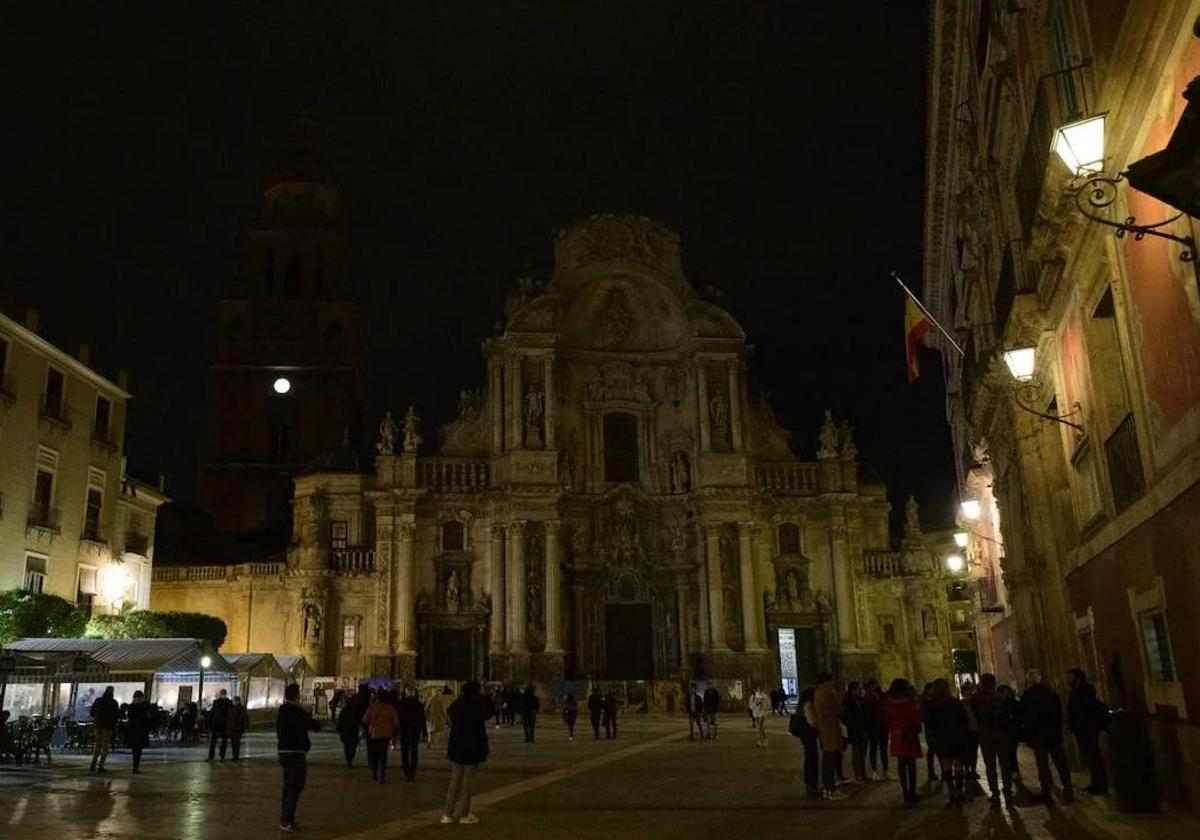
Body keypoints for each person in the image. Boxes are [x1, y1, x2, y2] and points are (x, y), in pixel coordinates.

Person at [440, 681, 493, 826]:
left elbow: (449, 713)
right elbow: (489, 713)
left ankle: (447, 814)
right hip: (473, 748)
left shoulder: (458, 704)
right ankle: (464, 814)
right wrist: (486, 697)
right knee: (467, 783)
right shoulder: (477, 706)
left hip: (457, 747)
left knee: (455, 781)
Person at [1021, 669, 1073, 804]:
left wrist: (1028, 736)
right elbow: (1058, 714)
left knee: (1043, 765)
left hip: (1038, 736)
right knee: (1061, 763)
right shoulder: (1051, 695)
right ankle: (1068, 790)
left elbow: (1025, 717)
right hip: (1053, 734)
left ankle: (1046, 792)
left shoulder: (1027, 696)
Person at [276, 682, 321, 832]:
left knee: (288, 786)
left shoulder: (282, 710)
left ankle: (285, 817)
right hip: (296, 752)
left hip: (283, 752)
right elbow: (315, 726)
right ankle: (287, 819)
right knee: (296, 786)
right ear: (297, 696)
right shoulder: (297, 711)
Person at [971, 673, 1017, 805]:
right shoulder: (1001, 698)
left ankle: (995, 793)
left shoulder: (976, 698)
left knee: (990, 766)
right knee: (1005, 765)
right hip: (1001, 734)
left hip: (985, 735)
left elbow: (976, 714)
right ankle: (1007, 791)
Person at [923, 678, 970, 802]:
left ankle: (951, 792)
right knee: (959, 766)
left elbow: (929, 724)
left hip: (942, 740)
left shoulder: (932, 705)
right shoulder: (954, 702)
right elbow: (964, 720)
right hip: (957, 738)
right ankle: (960, 791)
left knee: (946, 767)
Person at [1066, 668, 1108, 795]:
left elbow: (1082, 712)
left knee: (1093, 758)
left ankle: (1100, 786)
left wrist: (1078, 725)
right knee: (1091, 758)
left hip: (1086, 730)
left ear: (1077, 678)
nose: (1068, 679)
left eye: (1070, 677)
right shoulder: (1079, 692)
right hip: (1085, 729)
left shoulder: (1081, 694)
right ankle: (1096, 784)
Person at [884, 678, 923, 804]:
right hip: (909, 734)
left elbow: (887, 720)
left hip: (897, 735)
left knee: (901, 764)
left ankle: (905, 791)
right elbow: (915, 718)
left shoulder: (889, 704)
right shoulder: (910, 702)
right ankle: (912, 791)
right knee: (911, 764)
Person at [813, 672, 846, 800]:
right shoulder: (828, 693)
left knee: (827, 760)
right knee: (830, 760)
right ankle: (831, 789)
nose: (833, 682)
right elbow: (838, 709)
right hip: (831, 729)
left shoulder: (818, 692)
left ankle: (828, 789)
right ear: (826, 681)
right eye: (831, 680)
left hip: (825, 729)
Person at [362, 691, 400, 783]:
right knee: (383, 756)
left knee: (375, 756)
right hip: (386, 735)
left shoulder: (372, 707)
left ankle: (375, 775)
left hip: (374, 735)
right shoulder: (390, 708)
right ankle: (382, 776)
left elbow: (365, 720)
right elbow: (395, 723)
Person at [398, 683, 427, 781]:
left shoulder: (402, 703)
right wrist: (425, 733)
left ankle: (406, 771)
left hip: (404, 729)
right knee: (414, 750)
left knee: (404, 751)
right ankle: (413, 771)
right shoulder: (419, 704)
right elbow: (422, 719)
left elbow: (399, 718)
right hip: (415, 729)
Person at [795, 687, 821, 796]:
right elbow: (812, 722)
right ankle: (811, 784)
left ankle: (810, 784)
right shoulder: (808, 705)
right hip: (809, 736)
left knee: (810, 759)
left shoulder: (802, 706)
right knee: (812, 759)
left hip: (806, 736)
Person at [842, 681, 869, 781]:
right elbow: (845, 717)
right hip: (854, 730)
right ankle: (858, 774)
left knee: (862, 753)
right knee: (857, 753)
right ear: (852, 690)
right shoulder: (848, 701)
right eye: (858, 689)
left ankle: (862, 774)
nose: (860, 690)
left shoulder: (860, 700)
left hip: (862, 729)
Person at [89, 686, 120, 773]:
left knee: (97, 745)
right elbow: (117, 715)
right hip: (108, 726)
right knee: (105, 746)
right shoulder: (114, 702)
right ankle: (101, 766)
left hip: (98, 725)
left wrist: (96, 718)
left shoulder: (98, 700)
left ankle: (93, 763)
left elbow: (92, 712)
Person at [863, 679, 889, 780]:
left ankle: (885, 771)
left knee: (883, 749)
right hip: (873, 727)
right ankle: (875, 772)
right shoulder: (867, 698)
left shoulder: (880, 696)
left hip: (882, 726)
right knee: (874, 749)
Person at [337, 683, 368, 767]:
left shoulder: (344, 711)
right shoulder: (356, 709)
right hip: (353, 728)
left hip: (346, 730)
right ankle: (351, 757)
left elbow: (340, 720)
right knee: (353, 744)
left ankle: (348, 759)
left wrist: (339, 728)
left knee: (346, 745)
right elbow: (359, 718)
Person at [126, 690, 153, 773]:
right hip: (141, 730)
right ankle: (136, 766)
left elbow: (129, 718)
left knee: (135, 749)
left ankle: (135, 766)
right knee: (138, 749)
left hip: (132, 730)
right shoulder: (144, 707)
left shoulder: (130, 706)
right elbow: (147, 718)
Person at [961, 679, 981, 780]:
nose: (968, 693)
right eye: (966, 691)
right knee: (966, 751)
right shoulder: (960, 704)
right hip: (965, 731)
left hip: (975, 730)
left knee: (973, 751)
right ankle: (967, 770)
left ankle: (973, 770)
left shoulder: (975, 703)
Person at [207, 689, 233, 761]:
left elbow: (212, 713)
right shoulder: (218, 702)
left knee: (221, 742)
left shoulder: (227, 702)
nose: (223, 695)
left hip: (222, 724)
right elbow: (212, 713)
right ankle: (214, 756)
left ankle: (220, 756)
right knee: (215, 741)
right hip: (218, 724)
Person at [919, 682, 938, 782]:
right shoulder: (927, 701)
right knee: (933, 750)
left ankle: (932, 772)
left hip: (930, 728)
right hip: (931, 729)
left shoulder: (925, 700)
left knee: (932, 751)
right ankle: (932, 772)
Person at [227, 695, 250, 761]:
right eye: (234, 701)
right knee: (233, 743)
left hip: (238, 729)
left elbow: (245, 718)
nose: (235, 702)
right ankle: (234, 755)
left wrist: (245, 726)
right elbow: (228, 719)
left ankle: (236, 756)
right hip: (232, 729)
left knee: (236, 742)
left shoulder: (241, 709)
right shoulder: (230, 709)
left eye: (236, 701)